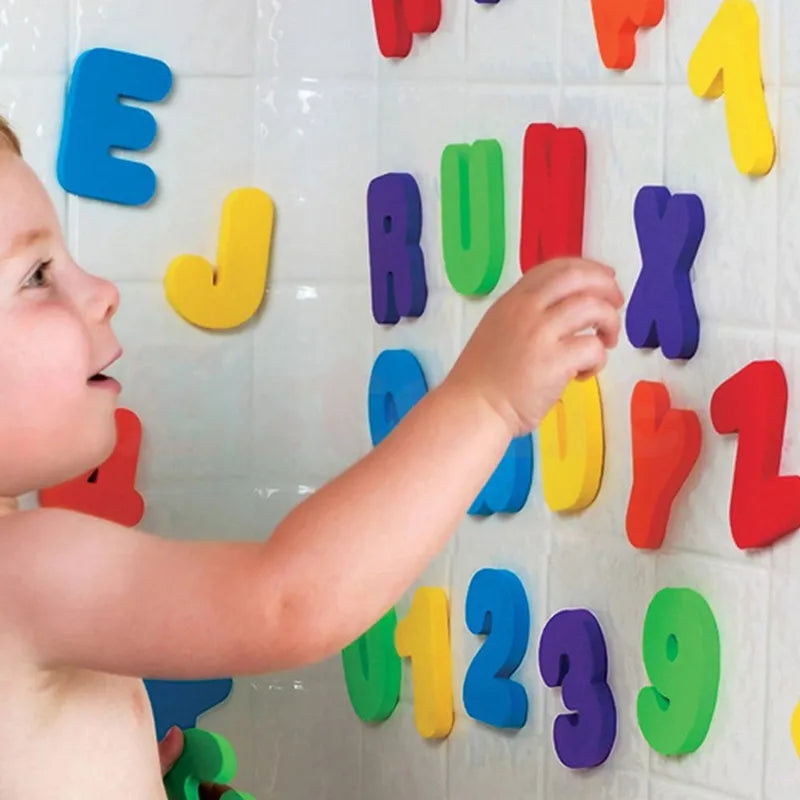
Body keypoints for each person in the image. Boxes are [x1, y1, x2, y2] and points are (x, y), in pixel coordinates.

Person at [0, 116, 623, 797]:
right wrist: (485, 400)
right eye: (37, 275)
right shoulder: (23, 570)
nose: (102, 292)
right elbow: (289, 600)